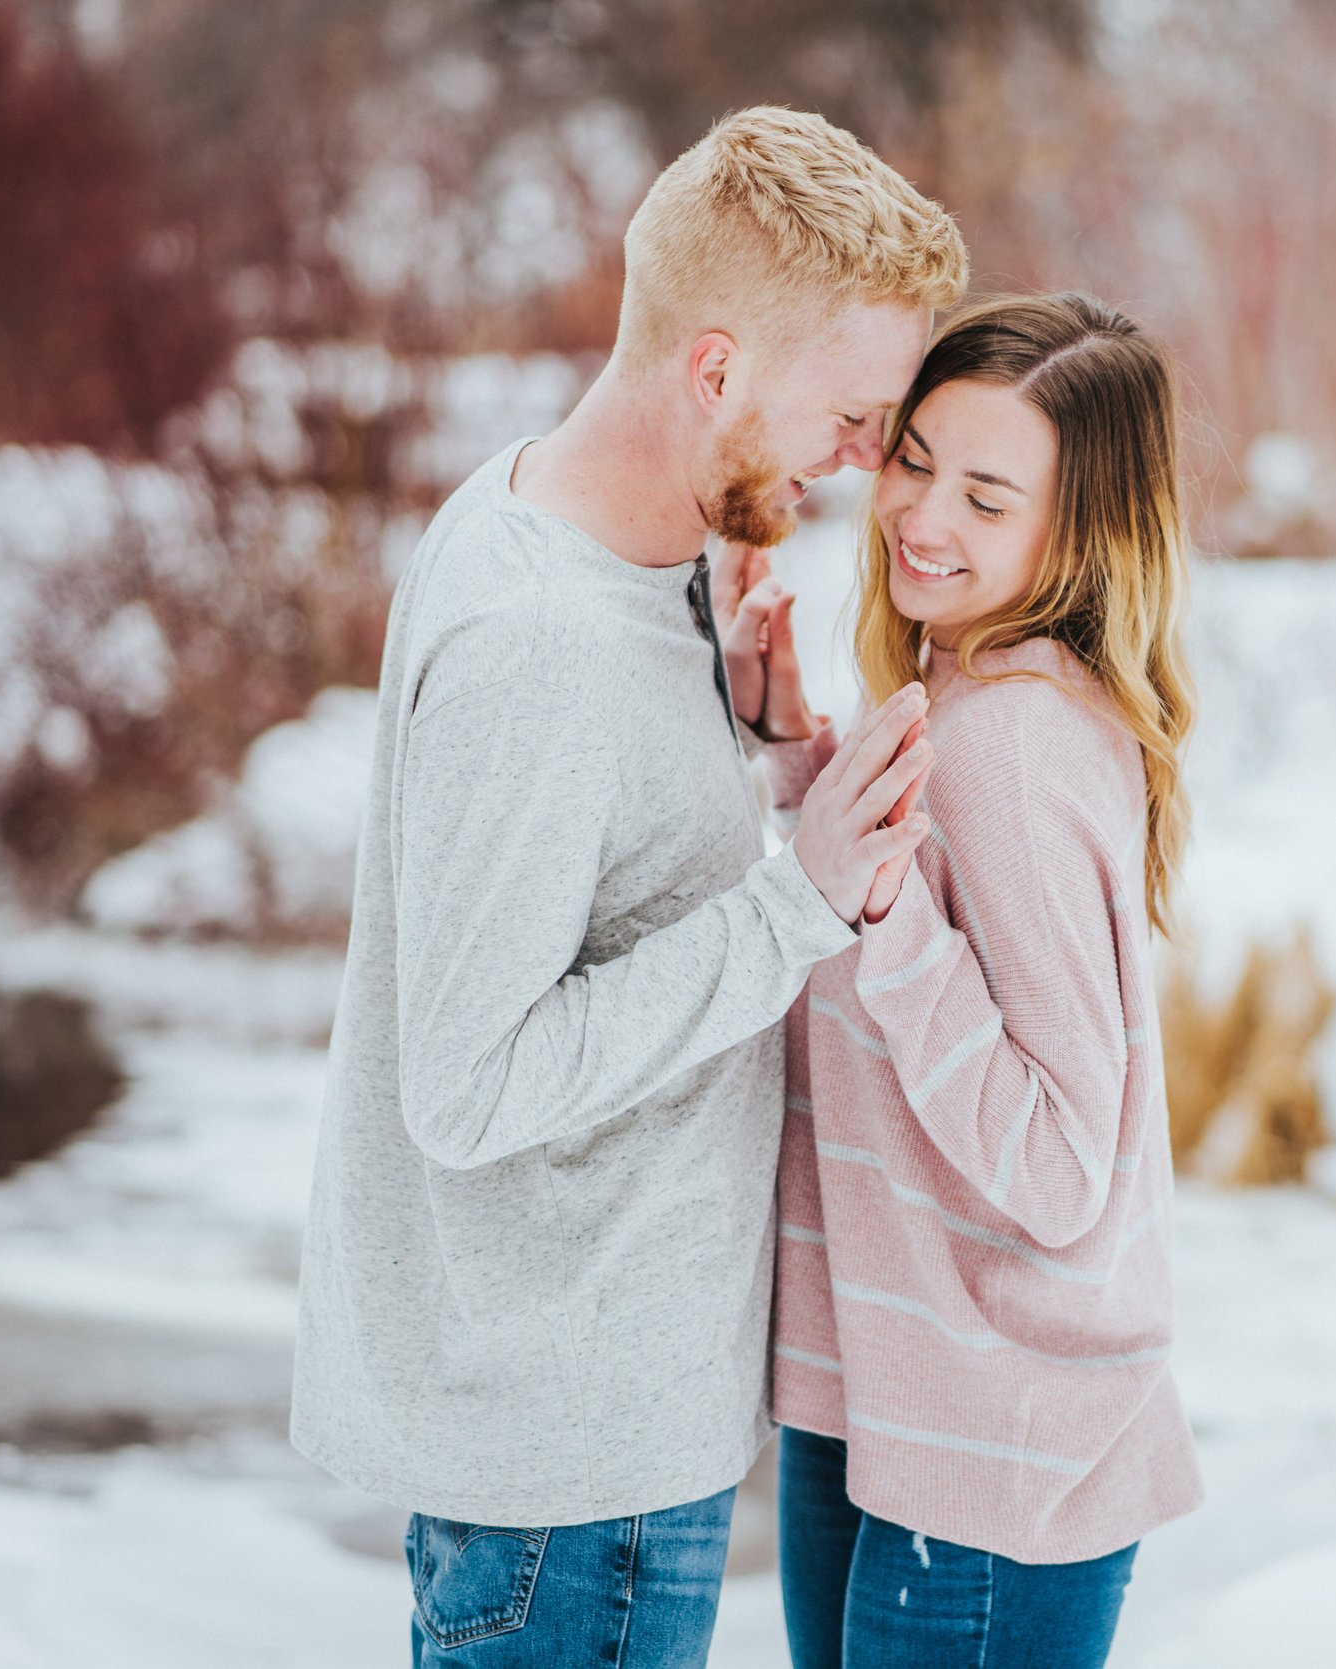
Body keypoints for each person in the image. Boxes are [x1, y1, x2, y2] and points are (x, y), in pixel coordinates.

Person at [289, 107, 966, 1668]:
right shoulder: (543, 645)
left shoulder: (582, 531)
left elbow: (585, 860)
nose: (868, 464)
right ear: (716, 371)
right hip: (567, 1493)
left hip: (577, 1448)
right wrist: (800, 903)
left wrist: (729, 705)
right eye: (851, 416)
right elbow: (468, 1083)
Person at [770, 293, 1205, 1669]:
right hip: (893, 1412)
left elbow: (1063, 1157)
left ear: (1077, 535)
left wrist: (885, 910)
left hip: (990, 1459)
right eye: (916, 460)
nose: (923, 516)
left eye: (987, 494)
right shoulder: (963, 706)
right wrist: (807, 770)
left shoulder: (1015, 746)